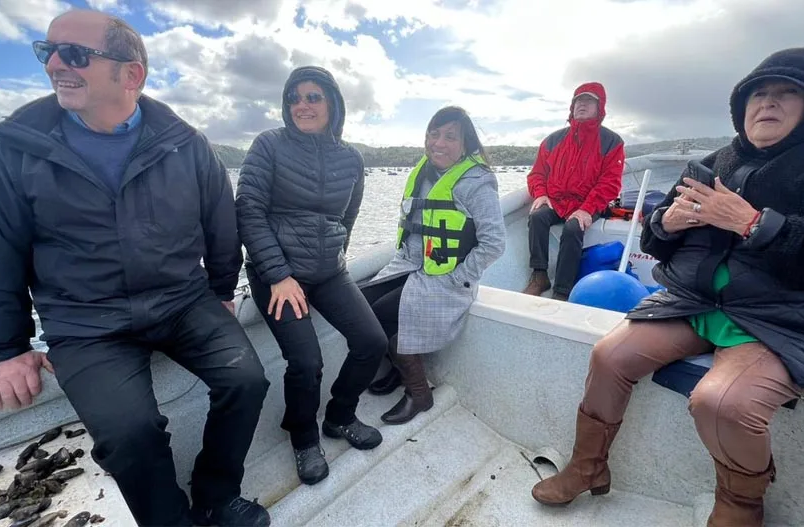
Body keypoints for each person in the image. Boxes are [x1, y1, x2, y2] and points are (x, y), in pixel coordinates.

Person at [0, 10, 271, 527]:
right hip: (85, 322)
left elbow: (220, 221)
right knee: (129, 431)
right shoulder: (12, 148)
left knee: (247, 381)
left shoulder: (186, 143)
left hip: (182, 301)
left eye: (75, 54)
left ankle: (216, 494)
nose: (55, 64)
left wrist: (220, 289)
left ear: (131, 74)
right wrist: (5, 349)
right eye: (47, 51)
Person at [530, 47, 804, 527]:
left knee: (720, 402)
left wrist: (753, 223)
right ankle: (588, 466)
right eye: (759, 94)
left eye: (786, 93)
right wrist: (665, 224)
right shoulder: (718, 161)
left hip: (787, 321)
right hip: (699, 303)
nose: (768, 103)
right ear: (742, 105)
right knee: (609, 356)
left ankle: (740, 507)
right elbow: (656, 241)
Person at [236, 66, 389, 486]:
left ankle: (340, 416)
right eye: (294, 97)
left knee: (371, 342)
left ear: (332, 103)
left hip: (328, 271)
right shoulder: (269, 145)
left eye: (313, 97)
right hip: (277, 273)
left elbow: (348, 216)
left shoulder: (351, 158)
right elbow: (248, 211)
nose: (302, 105)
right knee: (306, 361)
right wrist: (278, 274)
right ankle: (303, 438)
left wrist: (336, 254)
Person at [362, 106, 506, 424]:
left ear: (465, 145)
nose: (438, 143)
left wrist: (459, 277)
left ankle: (419, 393)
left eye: (450, 137)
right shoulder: (424, 173)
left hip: (449, 277)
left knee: (393, 317)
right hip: (410, 266)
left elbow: (494, 243)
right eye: (434, 134)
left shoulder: (477, 183)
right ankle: (400, 371)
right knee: (365, 306)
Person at [522, 82, 625, 299]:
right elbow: (537, 174)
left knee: (572, 228)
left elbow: (610, 183)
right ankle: (539, 275)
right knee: (537, 217)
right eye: (578, 101)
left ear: (600, 107)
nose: (581, 105)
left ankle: (562, 290)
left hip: (589, 204)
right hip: (557, 201)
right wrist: (541, 194)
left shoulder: (611, 142)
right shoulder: (552, 140)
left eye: (588, 101)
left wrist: (587, 209)